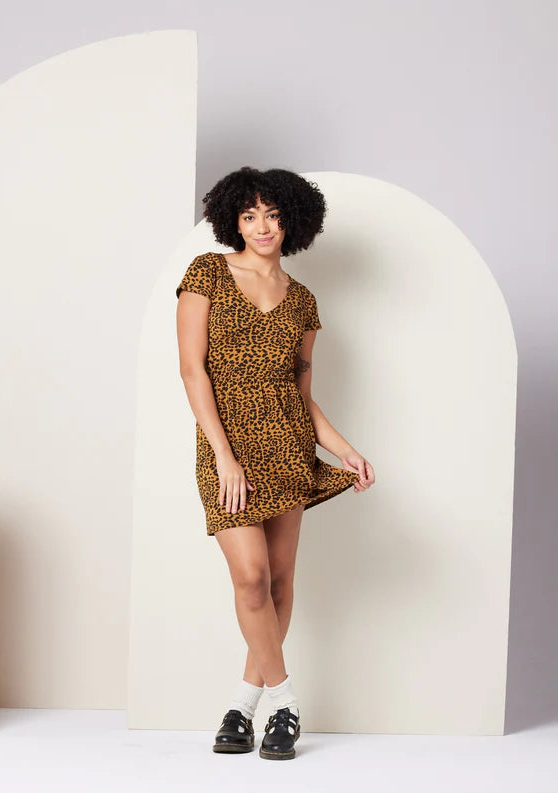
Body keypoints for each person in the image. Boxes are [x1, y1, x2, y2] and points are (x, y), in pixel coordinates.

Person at [175, 166, 375, 760]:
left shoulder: (303, 301)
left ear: (292, 223)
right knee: (251, 578)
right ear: (233, 221)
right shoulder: (207, 273)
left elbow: (302, 396)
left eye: (273, 215)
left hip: (288, 448)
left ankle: (242, 708)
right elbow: (192, 371)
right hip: (227, 450)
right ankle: (285, 704)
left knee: (280, 581)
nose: (262, 226)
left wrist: (345, 450)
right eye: (250, 215)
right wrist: (223, 456)